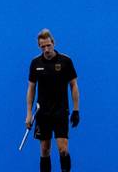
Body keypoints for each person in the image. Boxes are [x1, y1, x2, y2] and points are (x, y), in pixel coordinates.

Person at [26, 29, 79, 172]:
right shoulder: (35, 63)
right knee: (44, 150)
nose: (46, 49)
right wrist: (29, 114)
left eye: (48, 45)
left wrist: (76, 110)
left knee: (63, 149)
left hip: (60, 111)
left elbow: (73, 85)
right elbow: (31, 88)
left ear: (53, 43)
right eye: (43, 46)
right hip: (42, 113)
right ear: (39, 47)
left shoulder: (65, 61)